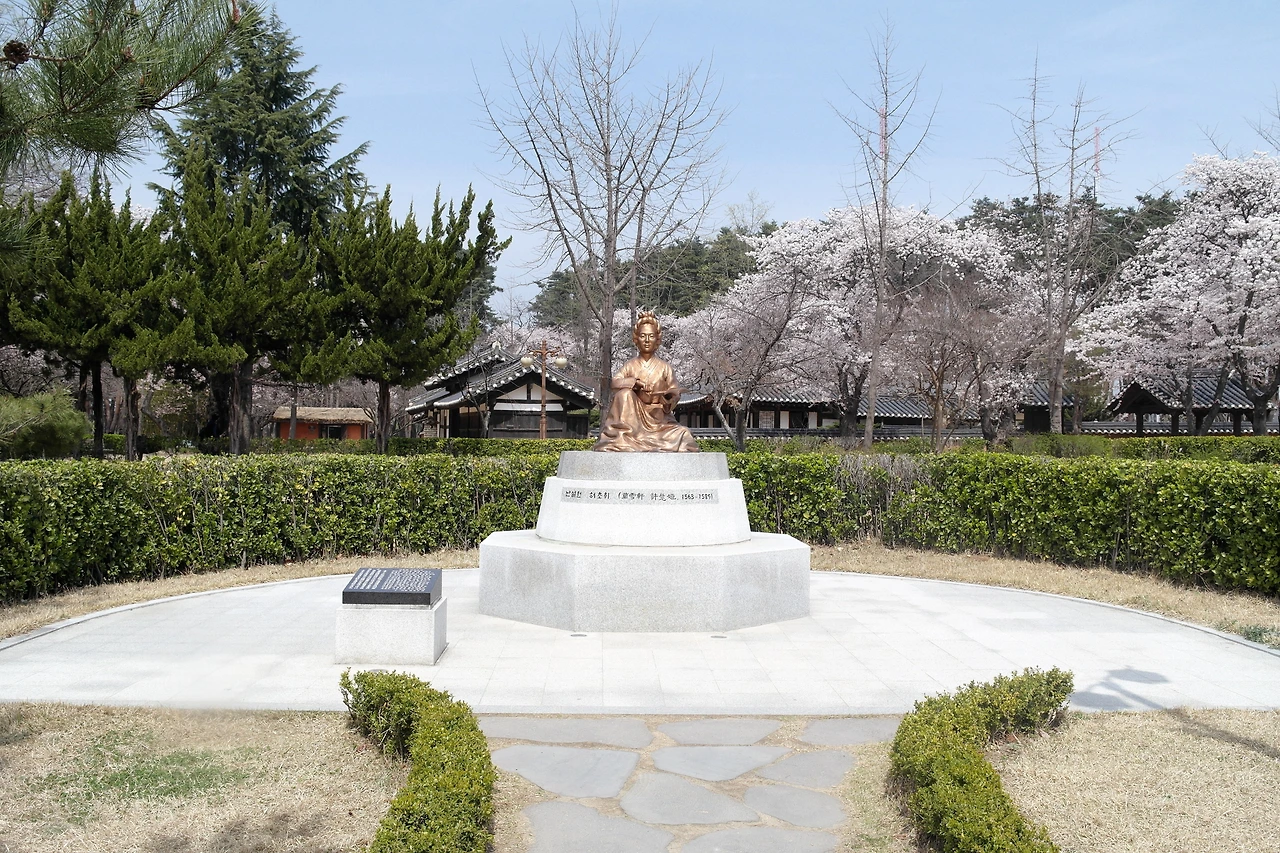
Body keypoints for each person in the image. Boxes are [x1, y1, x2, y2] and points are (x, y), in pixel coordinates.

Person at [593, 312, 700, 452]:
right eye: (643, 336)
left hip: (660, 421)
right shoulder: (630, 365)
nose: (647, 340)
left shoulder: (665, 367)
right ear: (636, 339)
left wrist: (669, 397)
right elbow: (613, 383)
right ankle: (625, 437)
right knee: (624, 394)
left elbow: (674, 392)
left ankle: (642, 441)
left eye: (651, 336)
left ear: (657, 340)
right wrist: (633, 383)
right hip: (633, 420)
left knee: (684, 434)